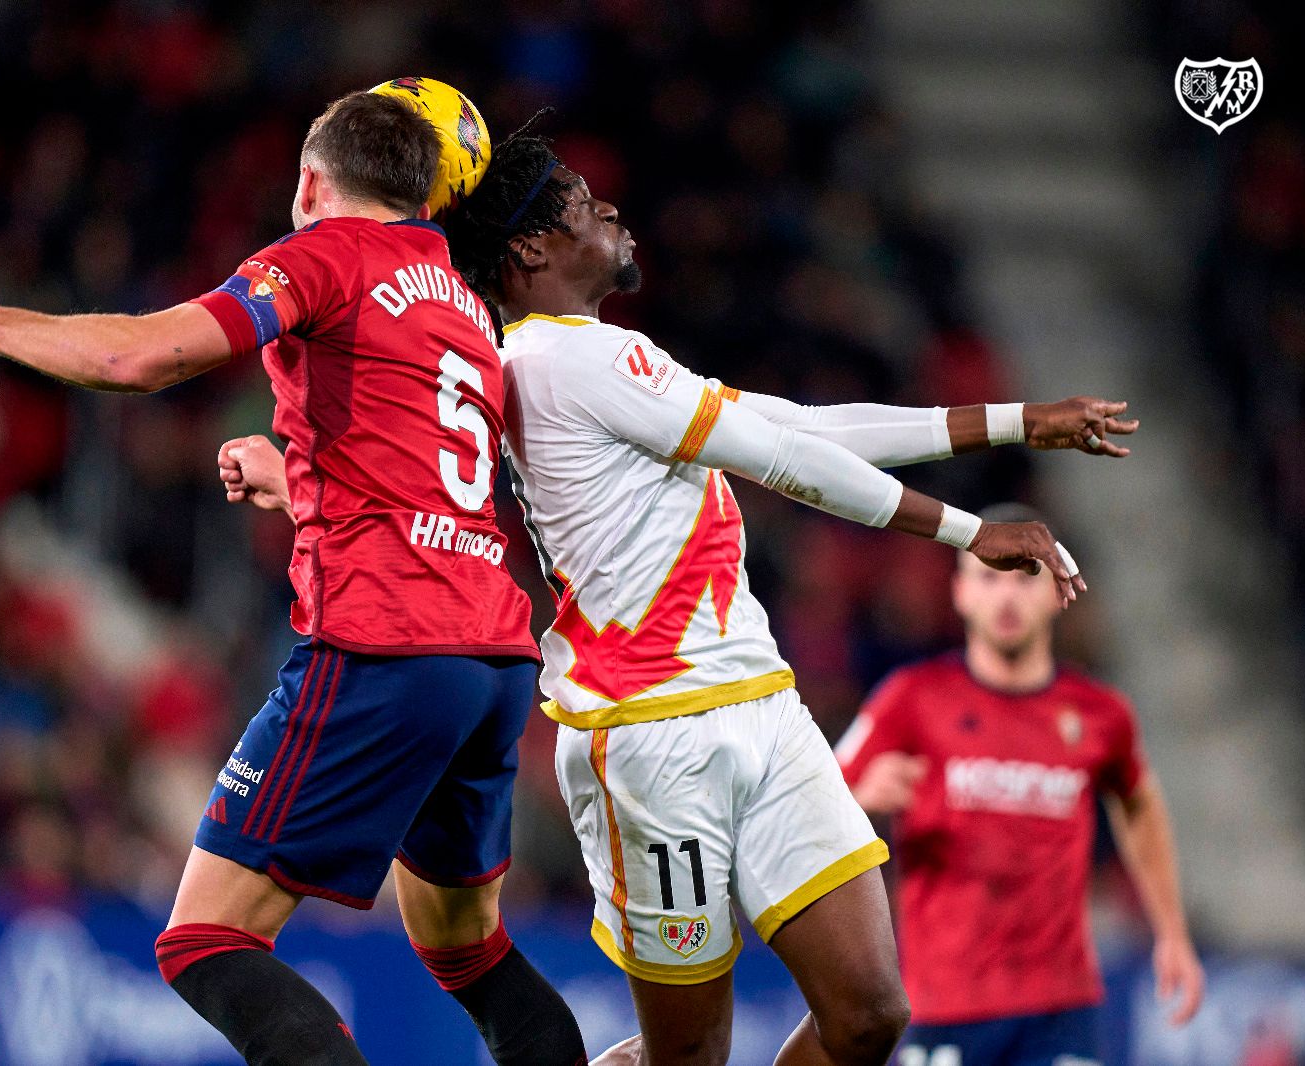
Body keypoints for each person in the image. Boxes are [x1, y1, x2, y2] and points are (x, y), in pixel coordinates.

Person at [223, 125, 1134, 1065]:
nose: (610, 211)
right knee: (688, 1058)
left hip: (761, 706)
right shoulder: (560, 361)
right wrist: (968, 531)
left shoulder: (595, 360)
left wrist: (1019, 421)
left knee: (870, 1013)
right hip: (652, 736)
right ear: (531, 250)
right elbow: (783, 459)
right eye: (585, 205)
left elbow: (799, 427)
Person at [0, 90, 586, 1066]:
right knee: (468, 950)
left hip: (384, 648)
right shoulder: (463, 302)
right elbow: (426, 480)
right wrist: (303, 485)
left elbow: (137, 358)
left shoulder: (323, 254)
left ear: (311, 184)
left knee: (205, 938)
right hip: (492, 660)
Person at [837, 502, 1204, 1066]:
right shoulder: (910, 700)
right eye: (989, 577)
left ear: (1058, 590)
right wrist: (861, 803)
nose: (1006, 597)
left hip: (1061, 1007)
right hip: (946, 1002)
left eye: (1025, 577)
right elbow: (817, 801)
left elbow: (1138, 803)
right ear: (961, 593)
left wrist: (1171, 933)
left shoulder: (1100, 714)